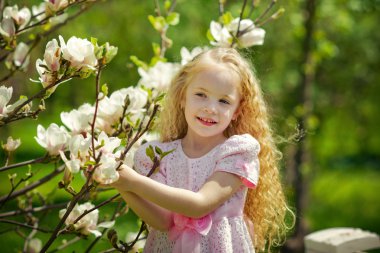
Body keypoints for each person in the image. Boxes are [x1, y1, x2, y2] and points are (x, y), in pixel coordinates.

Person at [111, 47, 293, 252]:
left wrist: (133, 181)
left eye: (224, 101)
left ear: (237, 111)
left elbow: (200, 205)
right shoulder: (159, 156)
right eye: (201, 95)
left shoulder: (236, 152)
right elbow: (162, 221)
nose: (211, 108)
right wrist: (119, 182)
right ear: (182, 97)